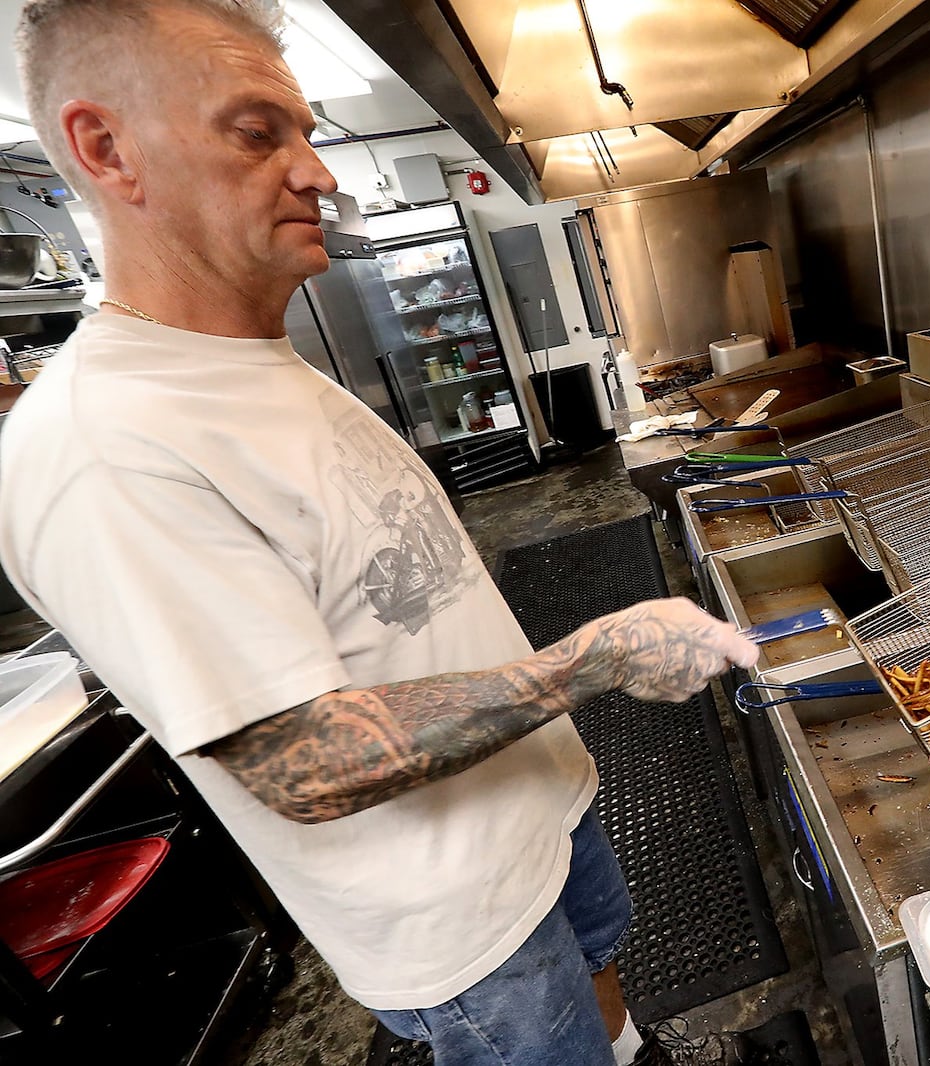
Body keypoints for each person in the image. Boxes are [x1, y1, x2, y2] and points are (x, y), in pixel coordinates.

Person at [0, 2, 759, 1063]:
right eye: (258, 133)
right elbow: (302, 758)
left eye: (306, 133)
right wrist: (589, 661)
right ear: (105, 148)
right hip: (461, 922)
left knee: (612, 1018)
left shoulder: (257, 361)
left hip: (535, 813)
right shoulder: (100, 443)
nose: (317, 173)